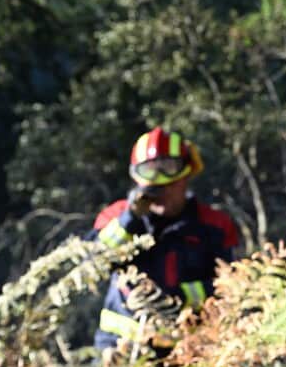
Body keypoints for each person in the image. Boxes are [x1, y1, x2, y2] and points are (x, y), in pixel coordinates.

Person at [91, 126, 238, 353]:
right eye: (154, 184)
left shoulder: (215, 226)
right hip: (120, 349)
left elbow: (232, 287)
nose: (163, 191)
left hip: (190, 351)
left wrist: (177, 297)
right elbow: (91, 266)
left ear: (186, 176)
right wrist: (130, 220)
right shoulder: (114, 217)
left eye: (170, 181)